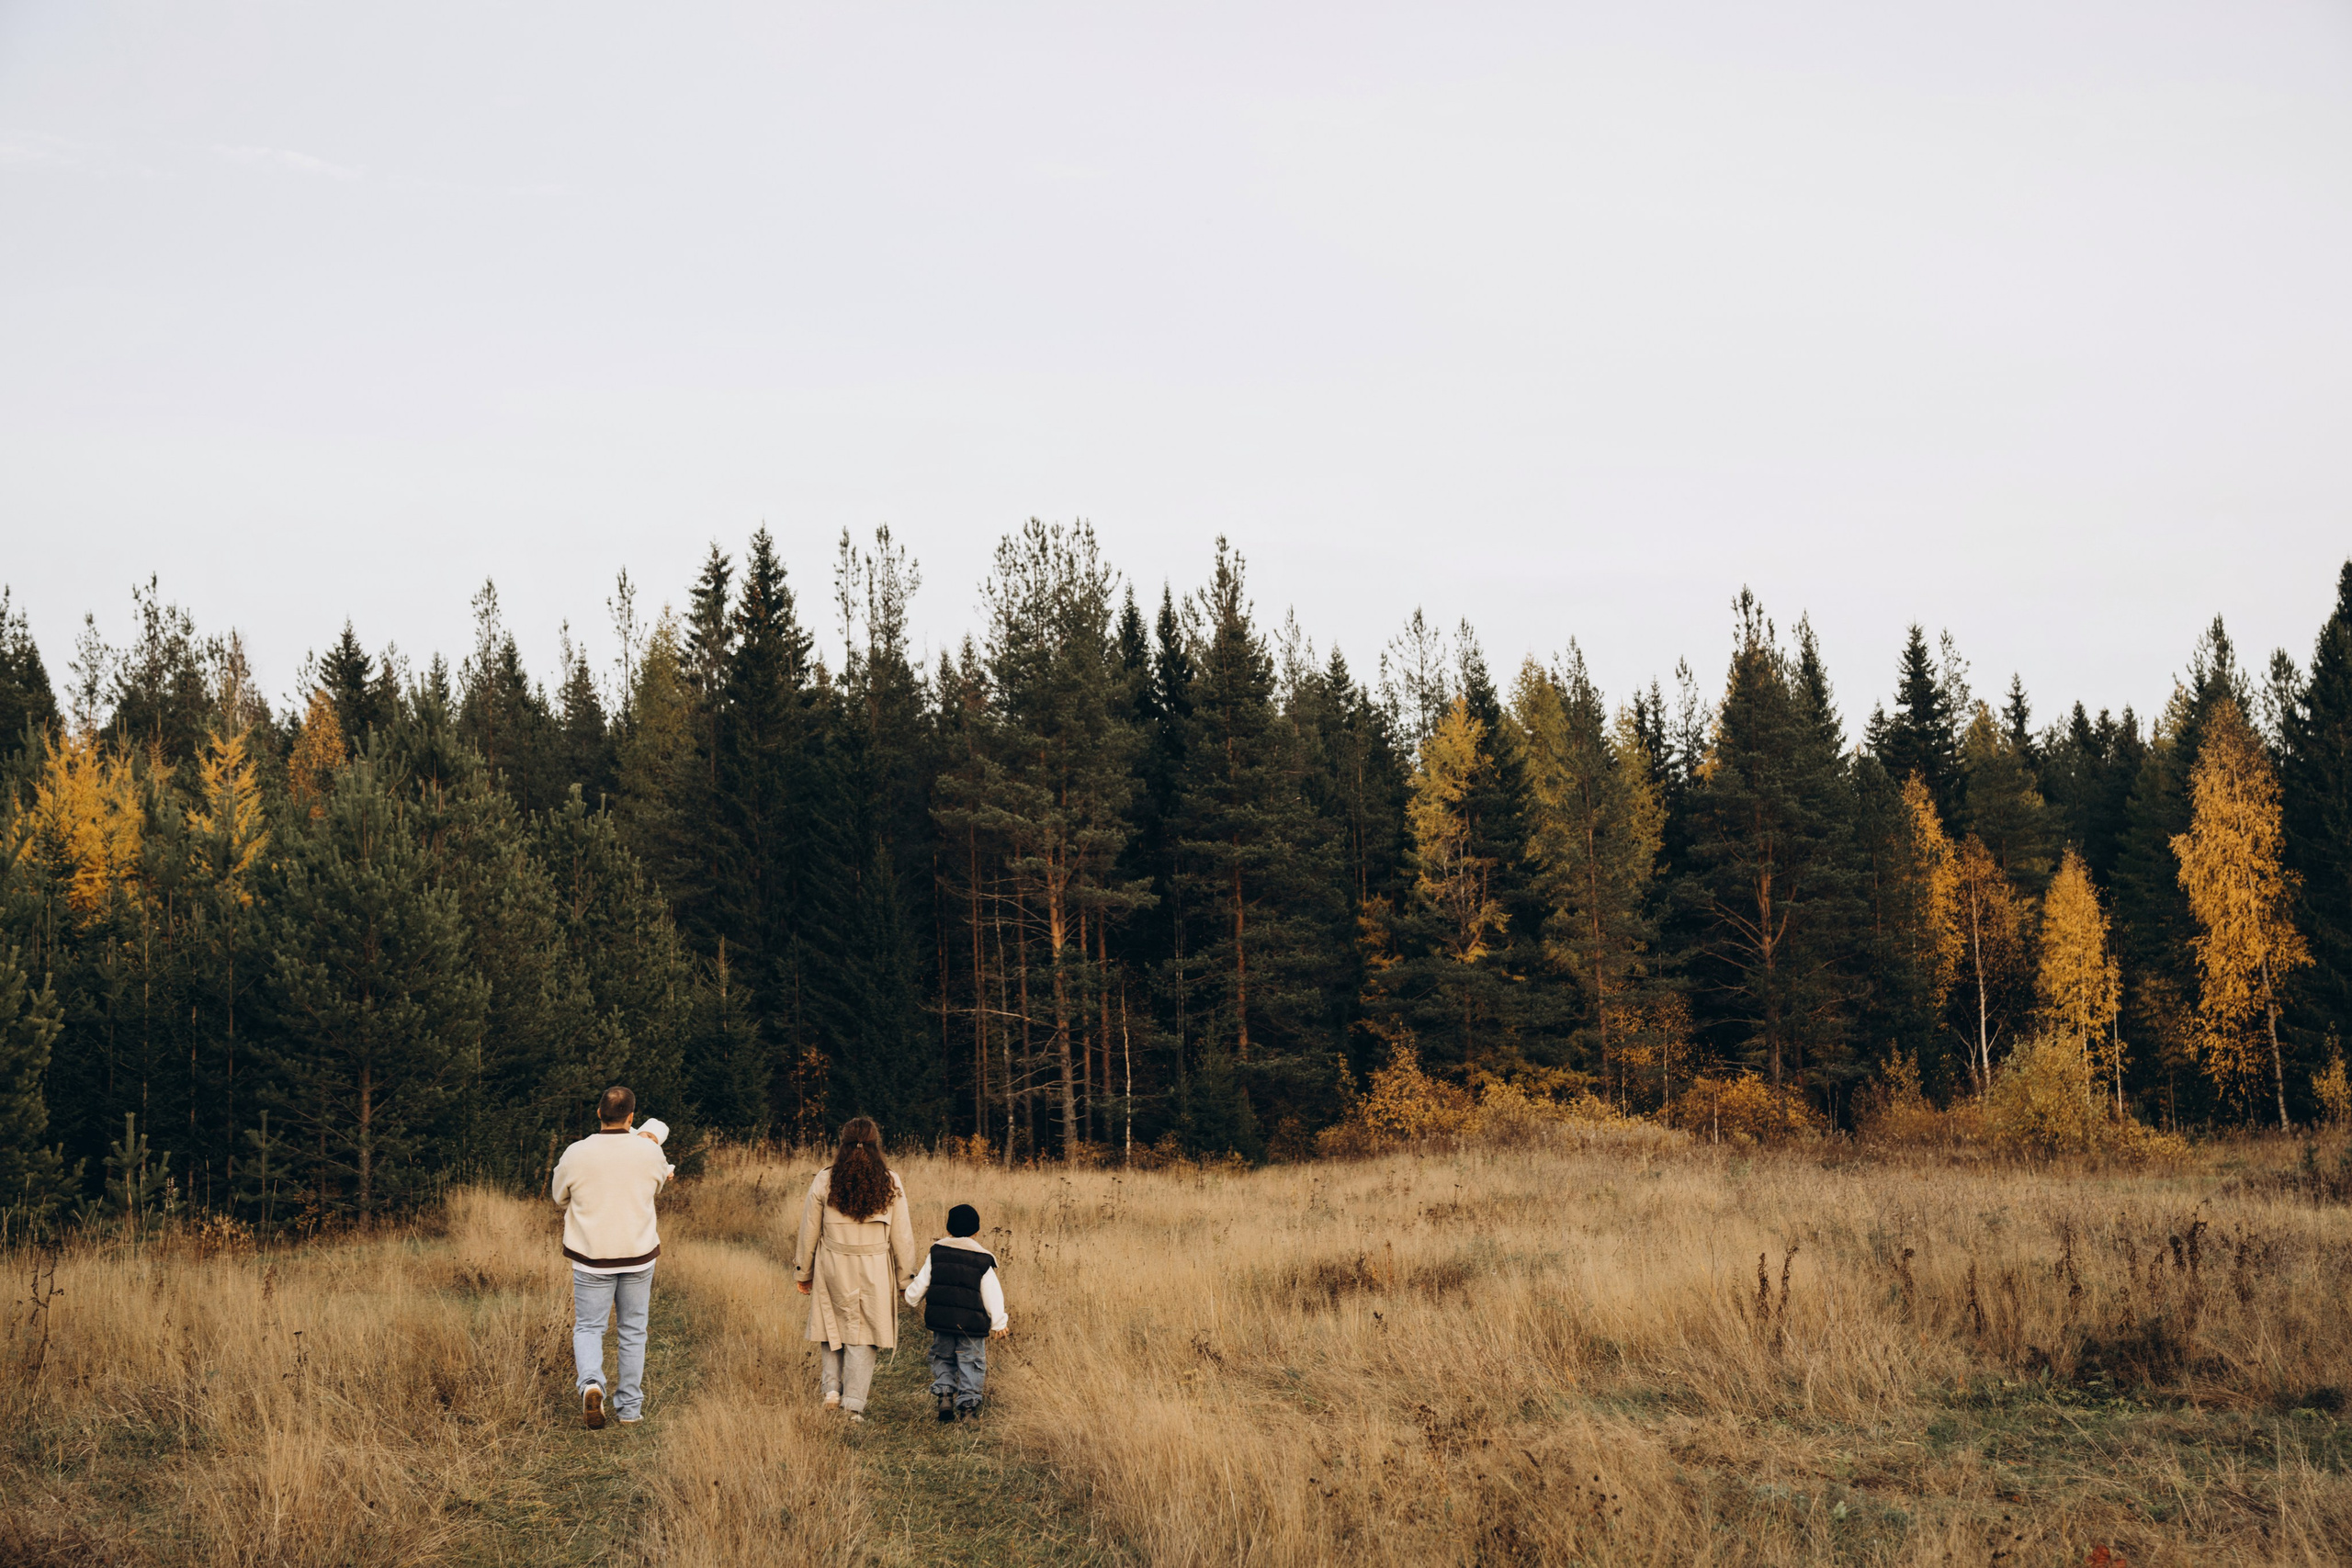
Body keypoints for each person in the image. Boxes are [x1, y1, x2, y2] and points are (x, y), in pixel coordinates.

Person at [550, 1086, 673, 1429]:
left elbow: (559, 1197)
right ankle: (630, 1410)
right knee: (633, 1331)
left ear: (599, 1113)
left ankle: (591, 1384)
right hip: (637, 1255)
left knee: (589, 1327)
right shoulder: (650, 1152)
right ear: (631, 1117)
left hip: (591, 1255)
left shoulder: (576, 1152)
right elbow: (656, 1187)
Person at [793, 1117, 916, 1422]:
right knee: (866, 1333)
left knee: (831, 1325)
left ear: (843, 1143)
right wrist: (906, 1280)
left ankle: (832, 1392)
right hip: (875, 1268)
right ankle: (853, 1405)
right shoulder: (891, 1180)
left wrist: (803, 1272)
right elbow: (902, 1235)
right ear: (875, 1144)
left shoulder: (825, 1179)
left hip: (833, 1264)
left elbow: (808, 1230)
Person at [903, 1202, 1008, 1422]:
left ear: (948, 1229)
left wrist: (910, 1298)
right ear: (976, 1231)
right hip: (971, 1324)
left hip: (941, 1321)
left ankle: (944, 1396)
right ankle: (968, 1408)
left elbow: (923, 1282)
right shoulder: (982, 1259)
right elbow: (992, 1294)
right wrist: (999, 1323)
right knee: (971, 1361)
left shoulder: (937, 1252)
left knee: (942, 1356)